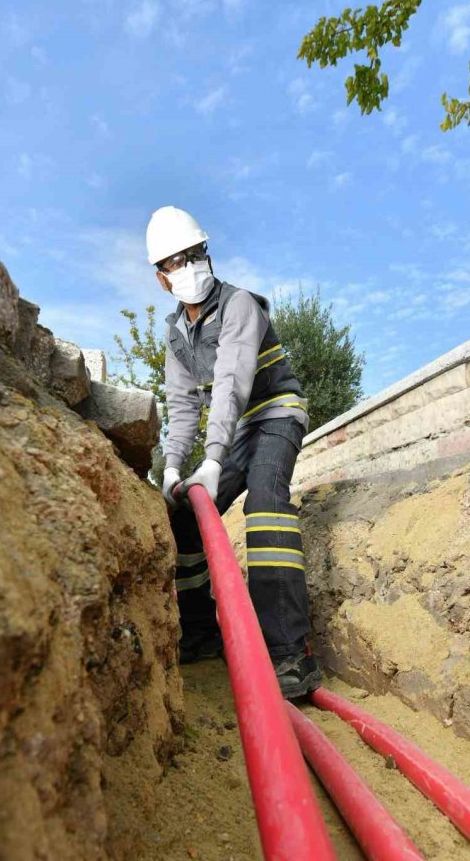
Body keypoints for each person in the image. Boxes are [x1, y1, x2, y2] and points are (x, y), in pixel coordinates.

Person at [146, 205, 321, 699]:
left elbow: (230, 383)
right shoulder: (176, 334)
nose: (189, 267)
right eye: (176, 262)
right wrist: (175, 467)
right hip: (242, 427)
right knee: (183, 517)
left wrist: (214, 457)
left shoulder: (240, 303)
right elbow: (181, 406)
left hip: (277, 413)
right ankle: (202, 634)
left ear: (208, 252)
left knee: (266, 505)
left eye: (194, 254)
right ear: (162, 279)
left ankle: (290, 653)